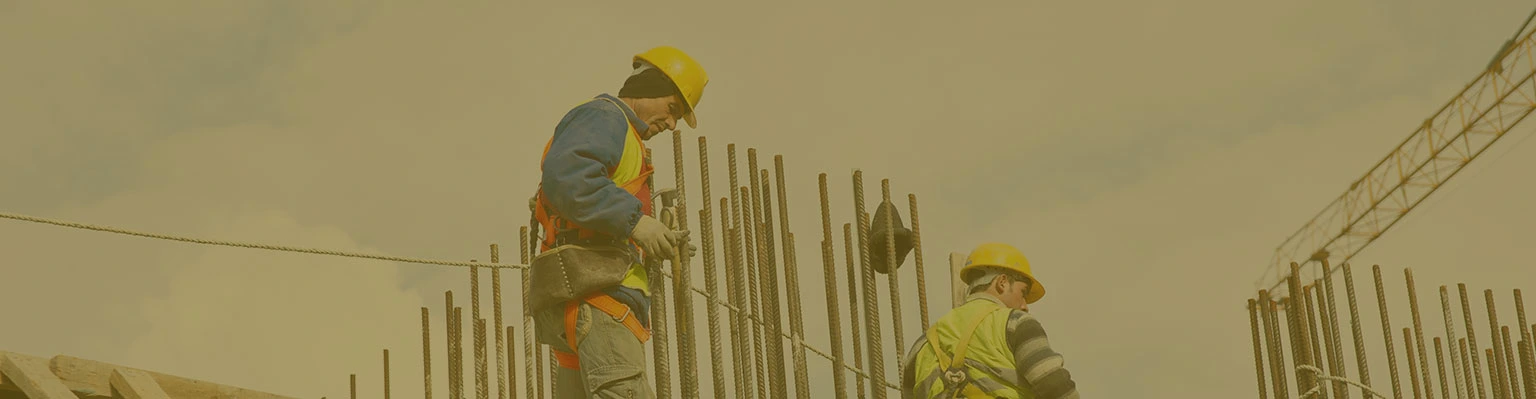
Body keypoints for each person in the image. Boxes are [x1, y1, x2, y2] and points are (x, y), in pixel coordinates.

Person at [527, 45, 708, 398]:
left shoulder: (619, 137)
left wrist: (655, 236)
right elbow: (568, 178)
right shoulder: (606, 118)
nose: (672, 125)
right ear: (649, 88)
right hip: (599, 300)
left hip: (580, 299)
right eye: (672, 109)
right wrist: (638, 223)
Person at [900, 242, 1080, 398]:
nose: (1025, 305)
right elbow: (1055, 387)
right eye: (1023, 293)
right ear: (1002, 282)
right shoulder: (1015, 323)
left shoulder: (922, 344)